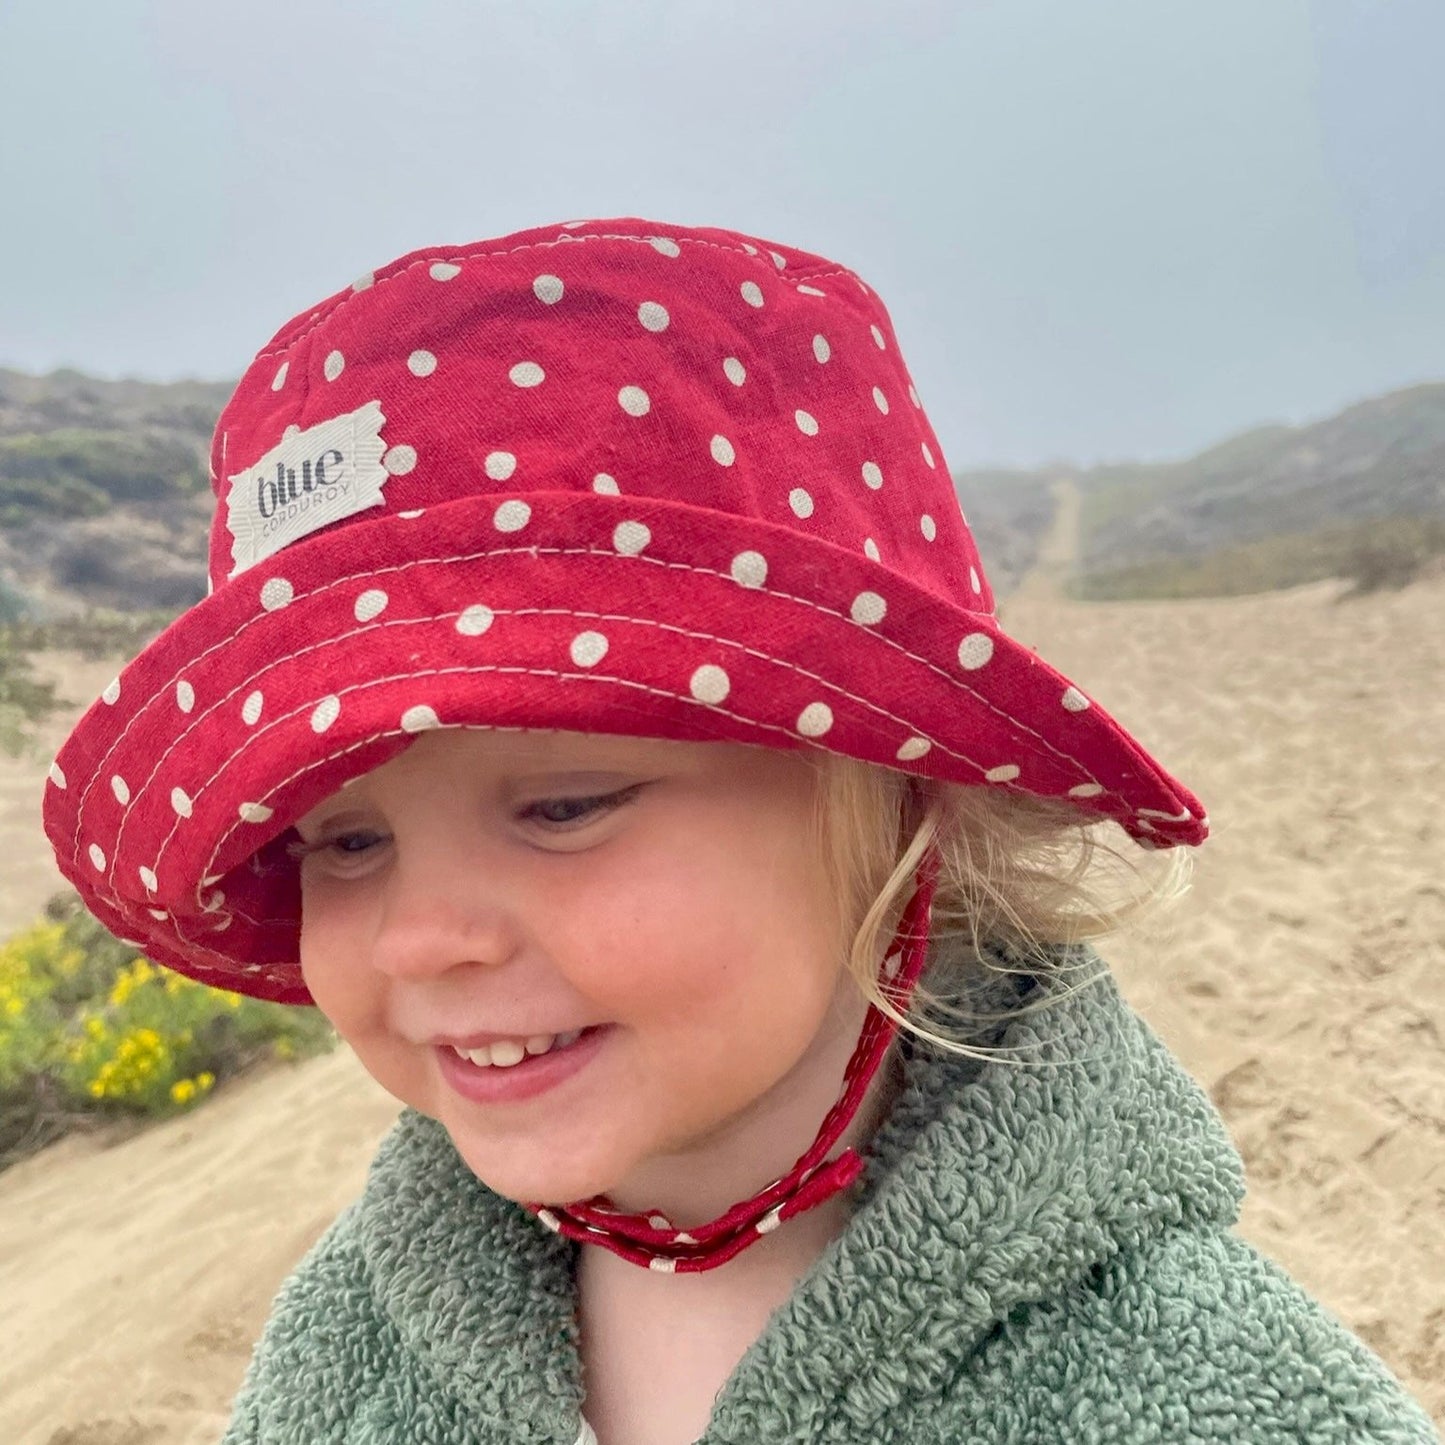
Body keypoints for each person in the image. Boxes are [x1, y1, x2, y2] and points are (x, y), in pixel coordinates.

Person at [43, 218, 1436, 1444]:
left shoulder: (1205, 1383)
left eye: (564, 805)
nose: (420, 933)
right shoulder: (364, 1325)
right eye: (344, 842)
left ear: (894, 790)